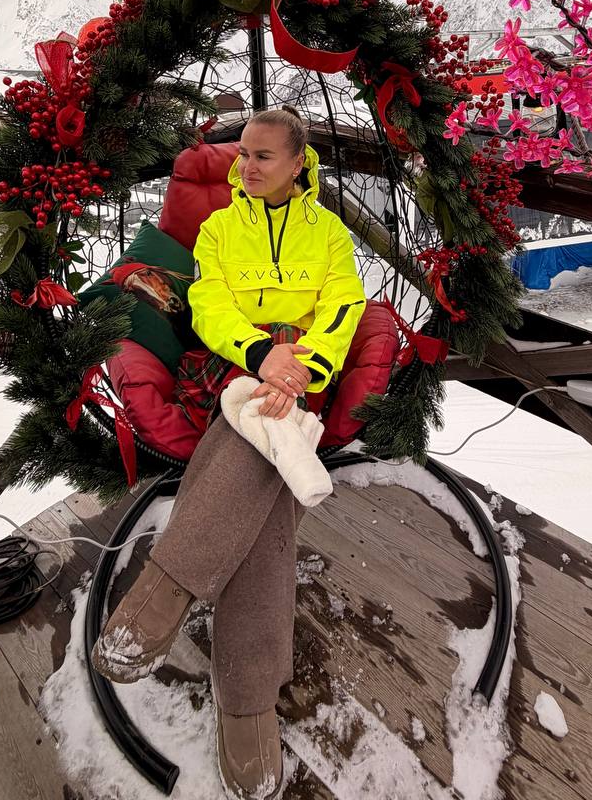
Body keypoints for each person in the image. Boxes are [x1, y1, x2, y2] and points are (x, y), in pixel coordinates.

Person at [93, 106, 366, 799]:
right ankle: (247, 700)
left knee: (261, 437)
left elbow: (344, 307)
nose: (246, 167)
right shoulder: (219, 228)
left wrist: (301, 367)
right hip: (235, 360)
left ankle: (164, 592)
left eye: (262, 156)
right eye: (242, 154)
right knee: (263, 447)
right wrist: (259, 354)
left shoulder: (329, 235)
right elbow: (210, 305)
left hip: (302, 367)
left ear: (298, 164)